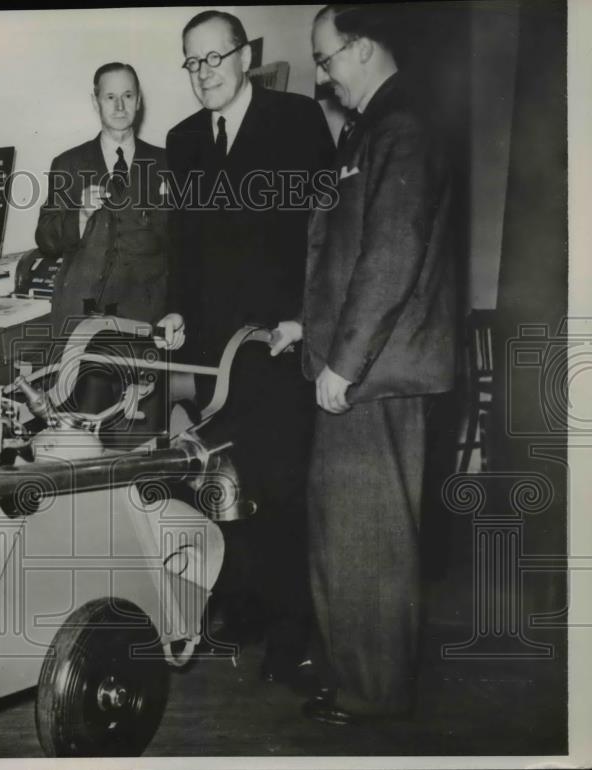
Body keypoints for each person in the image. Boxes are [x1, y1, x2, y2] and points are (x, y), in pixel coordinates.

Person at [270, 3, 456, 724]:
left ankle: (373, 697)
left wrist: (342, 365)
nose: (323, 75)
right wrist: (303, 325)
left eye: (325, 59)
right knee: (346, 532)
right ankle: (357, 676)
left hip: (376, 376)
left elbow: (390, 259)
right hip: (361, 367)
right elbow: (348, 256)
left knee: (369, 540)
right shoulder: (376, 127)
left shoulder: (401, 127)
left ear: (364, 47)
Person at [159, 10, 334, 684]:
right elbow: (184, 243)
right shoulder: (182, 139)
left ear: (244, 55)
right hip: (211, 350)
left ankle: (295, 632)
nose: (204, 72)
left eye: (215, 57)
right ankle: (247, 607)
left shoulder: (294, 119)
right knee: (224, 482)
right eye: (192, 61)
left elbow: (326, 230)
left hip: (278, 341)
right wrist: (175, 309)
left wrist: (304, 318)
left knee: (282, 485)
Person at [34, 63, 169, 444]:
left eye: (128, 96)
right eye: (110, 96)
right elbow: (45, 239)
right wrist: (78, 214)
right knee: (78, 437)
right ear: (96, 102)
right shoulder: (68, 164)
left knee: (134, 439)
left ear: (139, 102)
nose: (120, 105)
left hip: (142, 327)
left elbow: (179, 249)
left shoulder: (166, 165)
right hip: (79, 325)